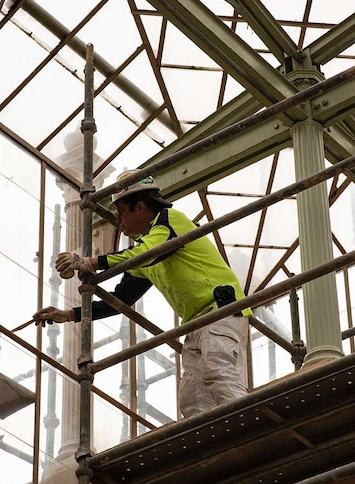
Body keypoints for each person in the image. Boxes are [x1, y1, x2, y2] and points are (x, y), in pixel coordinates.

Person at [33, 171, 251, 418]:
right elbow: (119, 301)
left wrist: (91, 262)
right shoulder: (144, 254)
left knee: (218, 372)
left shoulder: (170, 220)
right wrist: (71, 314)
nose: (118, 221)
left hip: (220, 311)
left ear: (139, 207)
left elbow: (149, 252)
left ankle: (252, 422)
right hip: (195, 324)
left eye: (122, 213)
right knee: (192, 400)